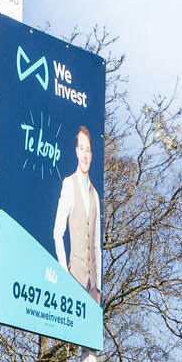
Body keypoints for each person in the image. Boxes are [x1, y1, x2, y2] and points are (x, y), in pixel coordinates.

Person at [52, 125, 101, 302]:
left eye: (88, 150)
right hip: (75, 280)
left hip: (93, 288)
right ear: (76, 152)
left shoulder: (95, 195)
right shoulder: (69, 184)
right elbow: (58, 232)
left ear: (92, 154)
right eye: (82, 149)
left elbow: (97, 245)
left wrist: (99, 287)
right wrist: (64, 274)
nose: (85, 155)